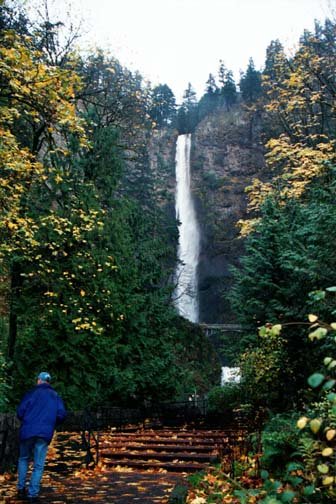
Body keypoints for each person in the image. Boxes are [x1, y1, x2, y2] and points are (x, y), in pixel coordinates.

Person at [16, 371, 67, 503]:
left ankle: (20, 489)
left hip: (27, 431)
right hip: (44, 433)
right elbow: (61, 415)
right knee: (38, 465)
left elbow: (20, 411)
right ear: (48, 382)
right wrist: (51, 423)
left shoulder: (31, 393)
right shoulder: (55, 396)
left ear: (39, 380)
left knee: (23, 459)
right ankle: (33, 495)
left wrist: (27, 420)